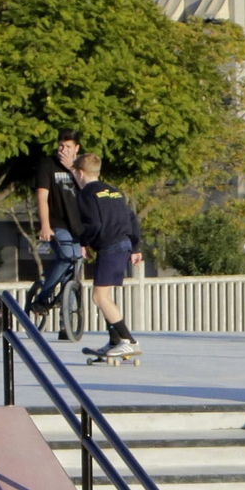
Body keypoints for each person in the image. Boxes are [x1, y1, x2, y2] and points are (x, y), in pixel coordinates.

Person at [72, 153, 143, 359]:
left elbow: (93, 223)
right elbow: (131, 218)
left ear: (80, 172)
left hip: (109, 246)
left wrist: (85, 242)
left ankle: (128, 340)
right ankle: (114, 341)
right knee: (105, 296)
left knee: (99, 296)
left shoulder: (86, 193)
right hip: (124, 244)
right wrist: (136, 247)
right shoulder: (115, 192)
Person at [28, 130, 85, 324]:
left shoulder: (82, 167)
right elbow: (42, 197)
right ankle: (42, 299)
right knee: (66, 256)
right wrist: (45, 225)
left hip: (78, 226)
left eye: (68, 146)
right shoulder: (47, 164)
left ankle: (66, 322)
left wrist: (72, 169)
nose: (63, 150)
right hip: (56, 223)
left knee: (74, 270)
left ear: (76, 148)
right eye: (61, 145)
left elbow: (89, 192)